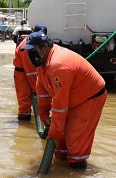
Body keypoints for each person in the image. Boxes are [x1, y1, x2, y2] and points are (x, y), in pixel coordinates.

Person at [22, 31, 107, 169]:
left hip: (89, 97)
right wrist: (44, 117)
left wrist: (54, 132)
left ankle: (78, 172)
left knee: (75, 141)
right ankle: (61, 167)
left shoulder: (58, 65)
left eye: (33, 50)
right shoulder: (43, 63)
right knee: (60, 146)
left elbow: (59, 105)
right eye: (29, 51)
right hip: (72, 98)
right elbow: (42, 92)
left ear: (44, 47)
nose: (31, 55)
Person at [12, 24, 47, 121]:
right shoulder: (28, 47)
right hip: (22, 74)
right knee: (24, 100)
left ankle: (25, 121)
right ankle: (24, 121)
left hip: (23, 72)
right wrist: (37, 89)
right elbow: (31, 73)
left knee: (25, 99)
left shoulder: (31, 43)